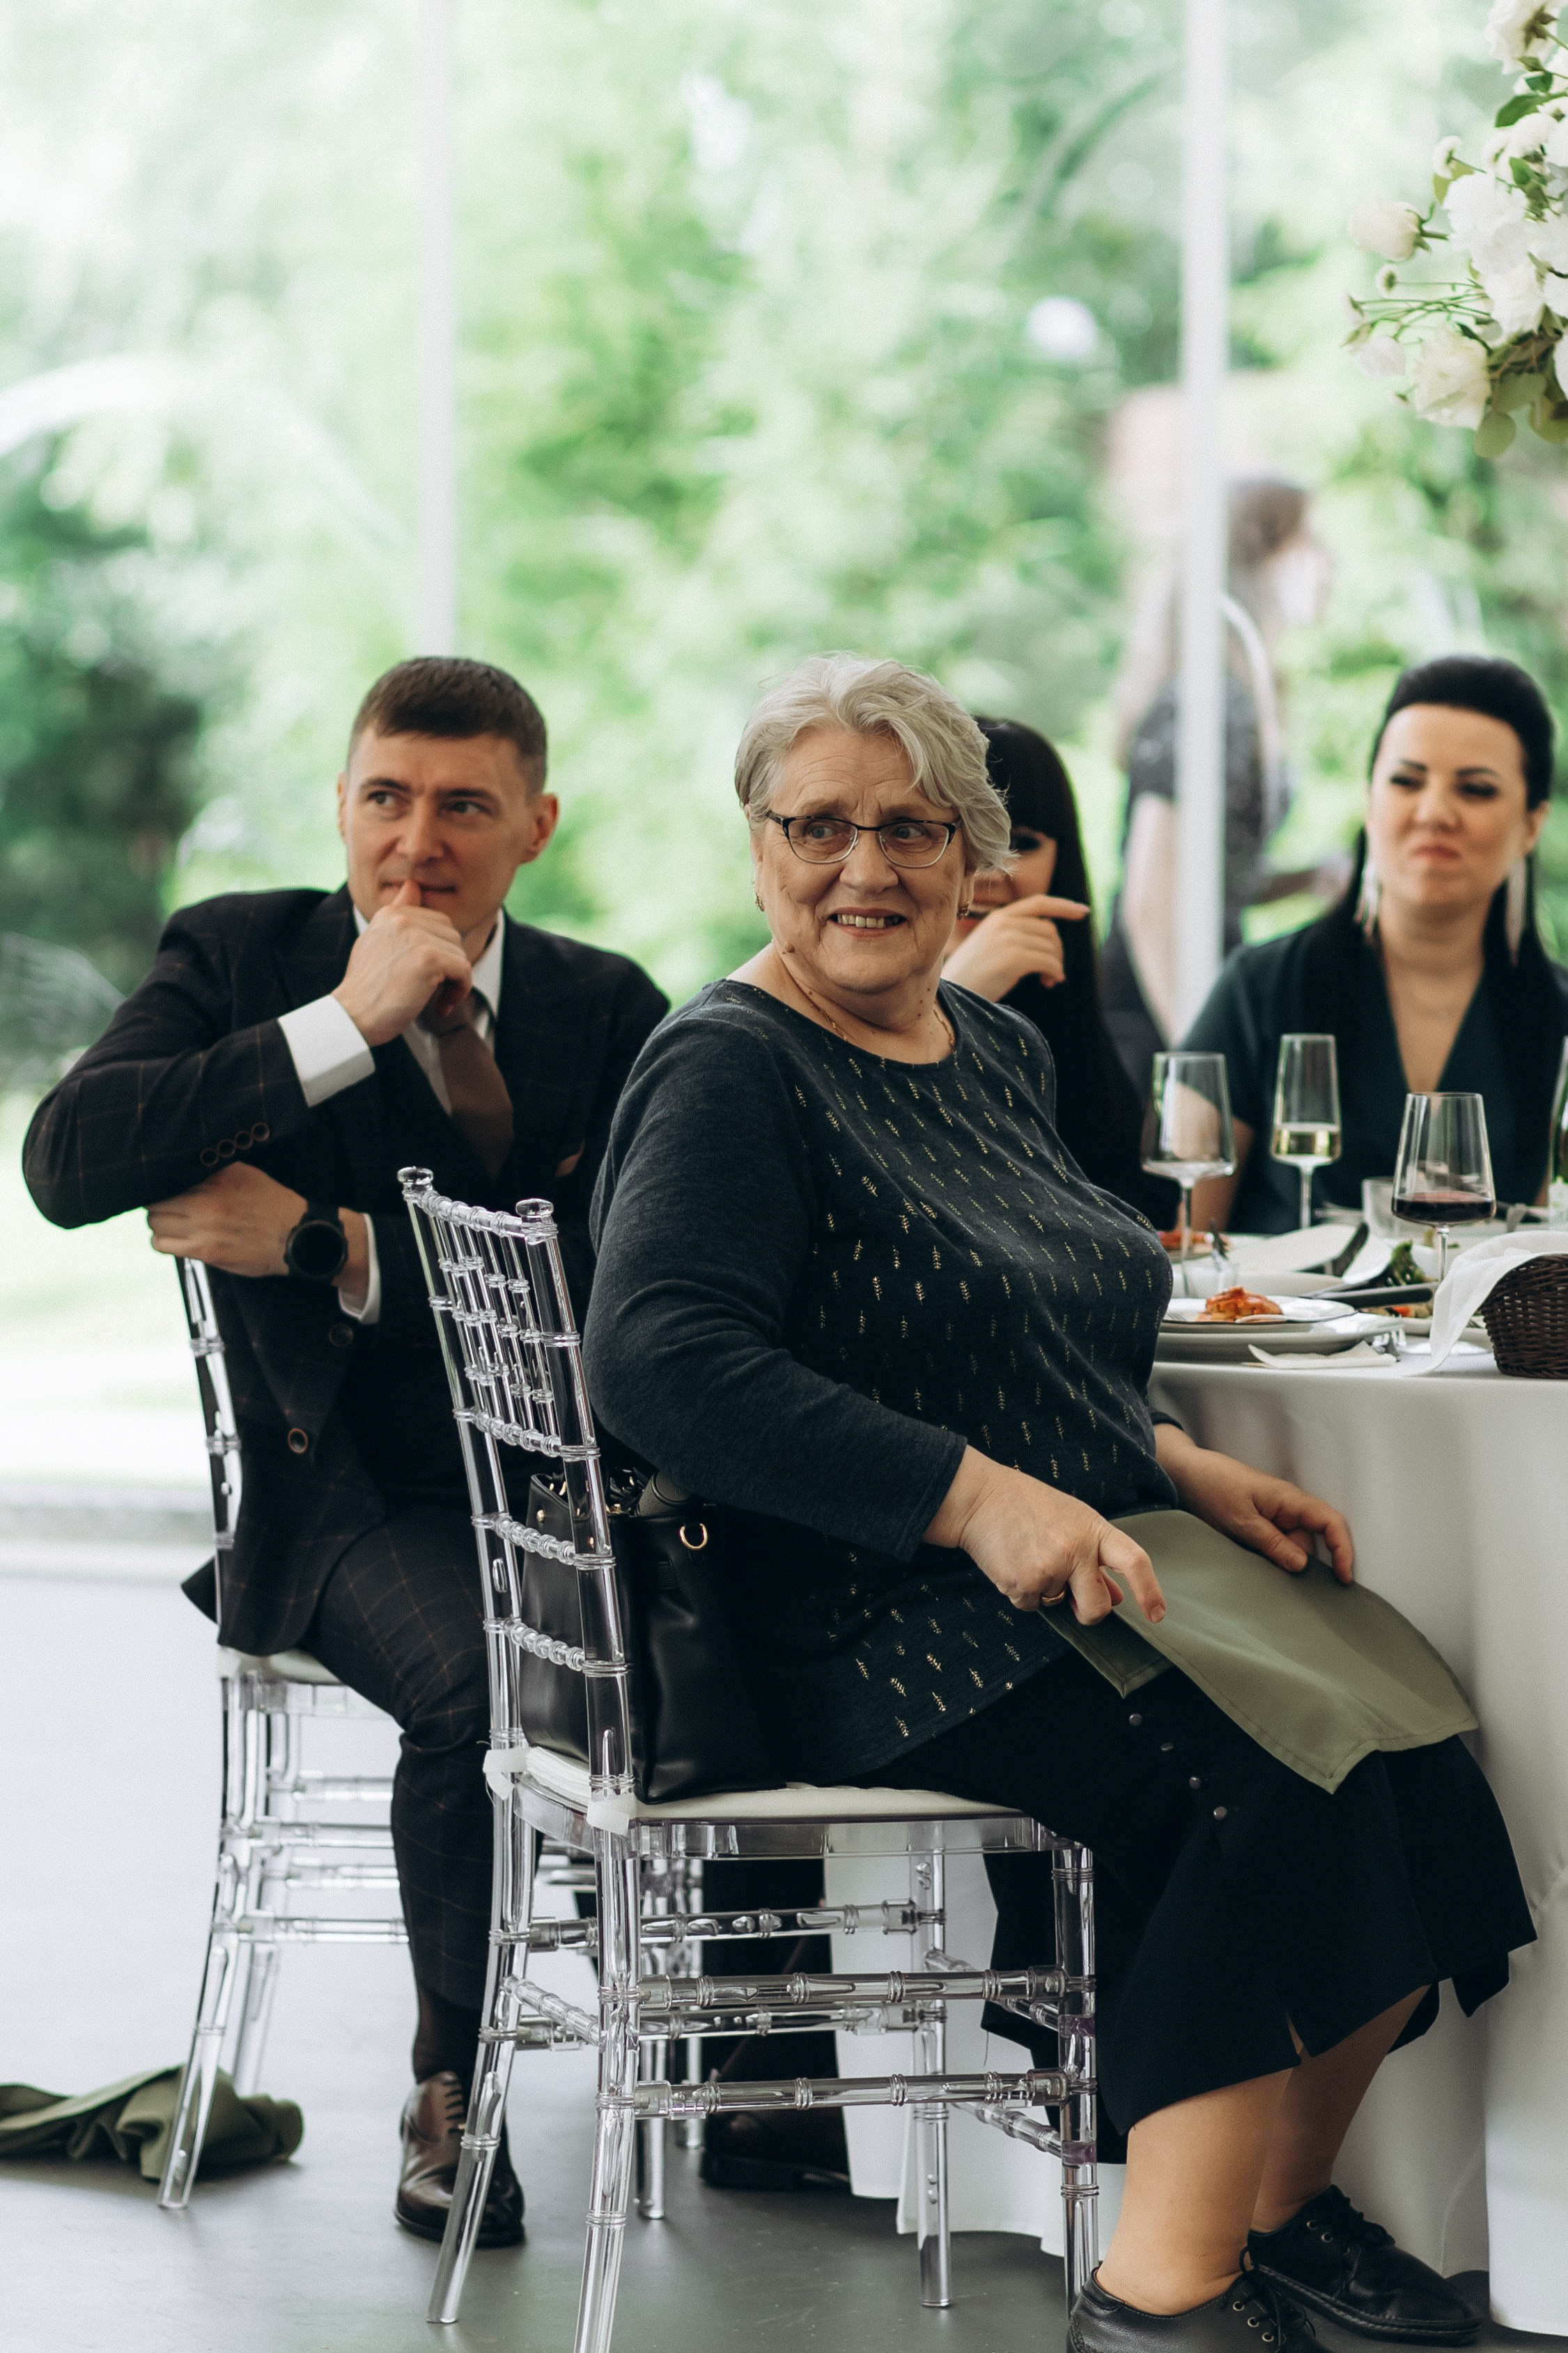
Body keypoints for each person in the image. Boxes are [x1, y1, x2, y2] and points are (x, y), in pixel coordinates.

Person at [582, 651, 1531, 2353]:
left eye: (909, 828)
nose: (861, 867)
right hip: (867, 1609)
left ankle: (1279, 2216)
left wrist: (1176, 1460)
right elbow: (659, 1358)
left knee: (1419, 1763)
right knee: (1246, 1787)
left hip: (1066, 1557)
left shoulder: (988, 1047)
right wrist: (968, 1501)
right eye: (816, 826)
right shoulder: (726, 1068)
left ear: (978, 860)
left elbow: (1028, 1320)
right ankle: (1156, 2303)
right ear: (754, 849)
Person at [23, 656, 668, 2248]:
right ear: (342, 803)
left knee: (775, 1599)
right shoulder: (244, 955)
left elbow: (629, 1297)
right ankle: (455, 2092)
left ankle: (766, 2082)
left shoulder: (611, 1006)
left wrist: (326, 1240)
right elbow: (65, 1162)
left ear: (536, 823)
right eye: (386, 796)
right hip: (347, 1504)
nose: (417, 841)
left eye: (463, 805)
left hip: (577, 1492)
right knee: (481, 1681)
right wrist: (339, 1026)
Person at [1184, 654, 1568, 1236]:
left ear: (1532, 824)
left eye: (1475, 789)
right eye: (1405, 781)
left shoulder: (1558, 1017)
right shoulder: (1260, 989)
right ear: (1369, 801)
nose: (1433, 812)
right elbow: (1187, 1252)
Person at [1099, 479, 1335, 1096]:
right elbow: (1151, 904)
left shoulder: (1232, 693)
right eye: (1311, 540)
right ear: (1261, 556)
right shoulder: (1209, 700)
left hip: (1196, 998)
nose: (1330, 560)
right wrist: (1201, 1066)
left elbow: (1213, 882)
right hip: (1160, 1020)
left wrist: (1309, 877)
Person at [942, 716, 1176, 1226]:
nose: (988, 871)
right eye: (962, 834)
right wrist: (956, 999)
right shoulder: (840, 1013)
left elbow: (1146, 1196)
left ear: (1059, 861)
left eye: (1020, 842)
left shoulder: (1056, 998)